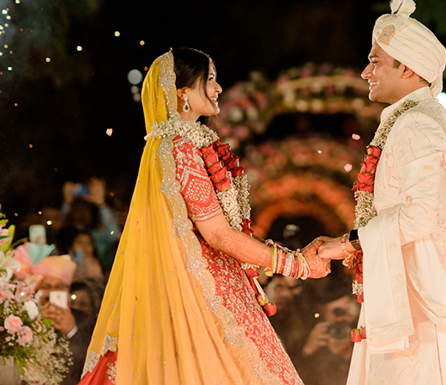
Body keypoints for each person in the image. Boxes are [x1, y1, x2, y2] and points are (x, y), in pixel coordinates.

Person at [80, 48, 329, 384]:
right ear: (182, 93)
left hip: (194, 289)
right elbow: (218, 235)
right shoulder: (180, 147)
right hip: (205, 292)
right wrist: (298, 265)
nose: (218, 88)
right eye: (209, 79)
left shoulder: (164, 145)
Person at [318, 0, 446, 384]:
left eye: (375, 61)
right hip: (416, 279)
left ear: (408, 67)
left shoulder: (417, 123)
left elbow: (420, 217)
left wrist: (346, 243)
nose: (366, 71)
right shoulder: (412, 119)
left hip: (425, 288)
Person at [32, 255, 96, 385]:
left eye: (60, 286)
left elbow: (92, 361)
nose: (52, 292)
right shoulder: (24, 319)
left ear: (68, 291)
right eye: (46, 286)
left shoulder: (86, 319)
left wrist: (72, 330)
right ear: (36, 291)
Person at [293, 273, 360, 385]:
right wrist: (307, 350)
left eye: (344, 312)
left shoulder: (361, 334)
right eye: (335, 312)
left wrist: (349, 354)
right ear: (324, 313)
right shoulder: (316, 337)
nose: (340, 319)